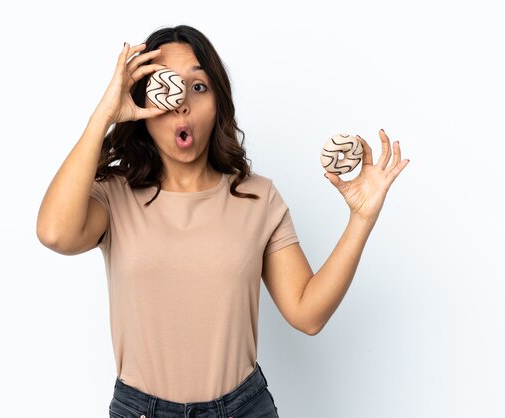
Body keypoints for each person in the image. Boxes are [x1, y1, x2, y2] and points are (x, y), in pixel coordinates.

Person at [36, 24, 409, 418]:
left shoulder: (258, 197)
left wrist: (361, 218)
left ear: (218, 101)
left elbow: (308, 314)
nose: (181, 103)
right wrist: (105, 114)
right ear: (141, 103)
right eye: (166, 85)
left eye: (198, 87)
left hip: (243, 408)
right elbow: (54, 233)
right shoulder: (113, 195)